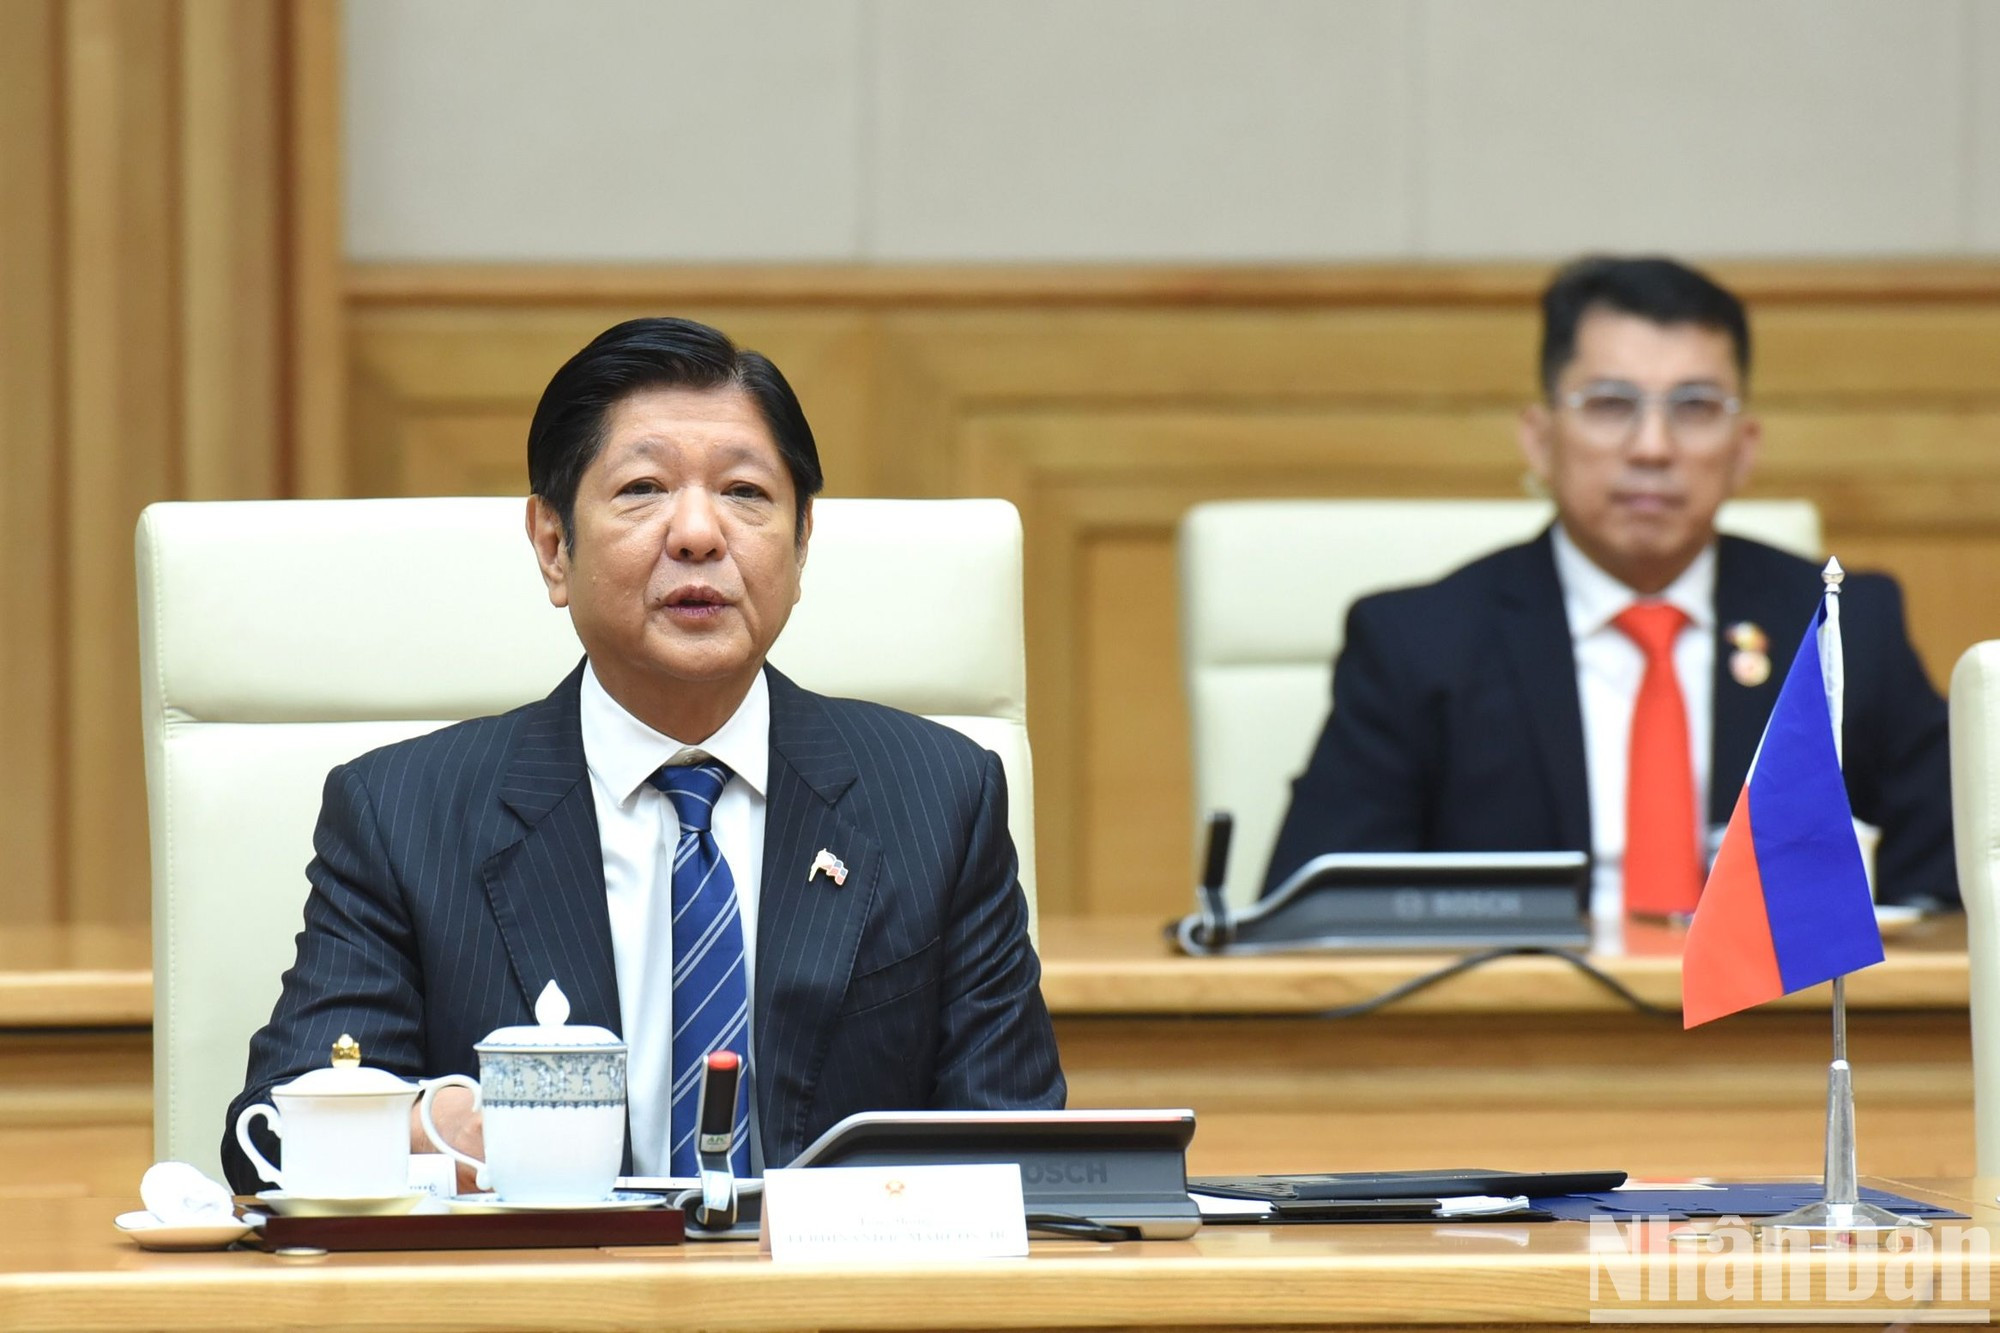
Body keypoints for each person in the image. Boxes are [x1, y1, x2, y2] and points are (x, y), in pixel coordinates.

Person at [223, 317, 1064, 1194]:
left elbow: (1023, 1163)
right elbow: (272, 1137)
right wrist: (452, 1131)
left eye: (745, 492)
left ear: (803, 543)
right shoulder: (402, 814)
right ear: (553, 546)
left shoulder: (938, 798)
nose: (699, 533)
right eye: (644, 488)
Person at [1265, 256, 1956, 918]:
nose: (1652, 446)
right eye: (1609, 403)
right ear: (1540, 439)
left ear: (1744, 448)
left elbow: (1949, 887)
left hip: (1774, 1024)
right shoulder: (1419, 643)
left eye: (1694, 406)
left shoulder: (1840, 628)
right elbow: (1316, 907)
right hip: (1516, 1029)